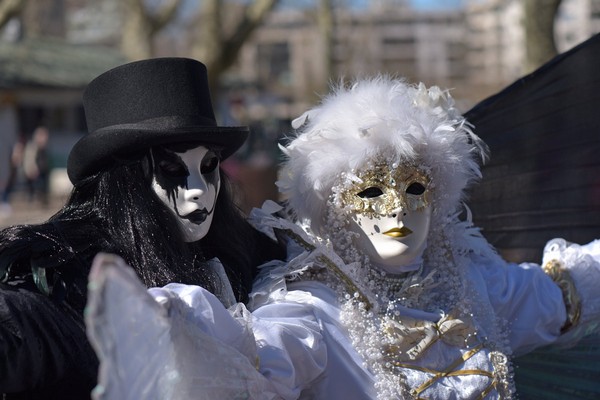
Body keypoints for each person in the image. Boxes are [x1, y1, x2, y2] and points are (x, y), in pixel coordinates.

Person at [85, 75, 599, 399]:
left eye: (415, 185)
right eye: (372, 190)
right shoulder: (313, 305)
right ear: (332, 204)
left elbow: (571, 288)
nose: (397, 206)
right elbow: (254, 356)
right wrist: (166, 323)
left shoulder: (476, 282)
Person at [0, 58, 283, 398]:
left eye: (208, 166)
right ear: (125, 184)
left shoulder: (244, 255)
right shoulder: (70, 283)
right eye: (170, 167)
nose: (198, 188)